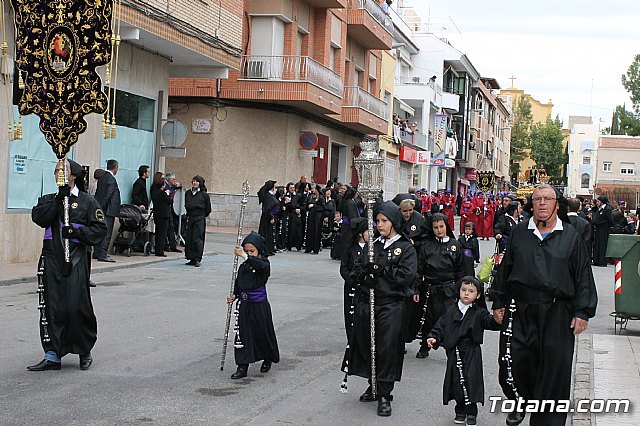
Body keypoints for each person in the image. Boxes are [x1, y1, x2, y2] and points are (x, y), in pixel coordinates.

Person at [490, 184, 597, 426]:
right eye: (537, 199)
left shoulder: (571, 237)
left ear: (556, 204)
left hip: (557, 313)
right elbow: (506, 269)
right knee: (515, 363)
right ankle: (520, 401)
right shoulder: (519, 232)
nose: (541, 203)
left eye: (547, 199)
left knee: (554, 371)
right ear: (531, 204)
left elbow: (583, 276)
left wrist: (582, 311)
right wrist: (499, 299)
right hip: (521, 310)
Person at [29, 159, 107, 371]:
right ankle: (52, 354)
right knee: (53, 307)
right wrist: (57, 202)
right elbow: (38, 218)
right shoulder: (49, 199)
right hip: (51, 258)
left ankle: (83, 350)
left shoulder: (87, 202)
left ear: (73, 176)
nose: (57, 174)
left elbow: (100, 229)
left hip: (76, 259)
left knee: (76, 306)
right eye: (55, 171)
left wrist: (77, 233)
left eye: (61, 171)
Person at [344, 201, 417, 417]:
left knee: (386, 348)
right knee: (368, 344)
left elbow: (406, 276)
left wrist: (382, 269)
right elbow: (356, 272)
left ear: (393, 221)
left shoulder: (405, 247)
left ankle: (385, 393)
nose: (379, 225)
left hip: (390, 305)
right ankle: (373, 383)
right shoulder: (371, 246)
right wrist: (363, 271)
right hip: (367, 303)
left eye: (383, 221)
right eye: (377, 221)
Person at [426, 276, 502, 426]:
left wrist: (497, 319)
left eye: (471, 291)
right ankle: (459, 410)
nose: (466, 293)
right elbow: (440, 326)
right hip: (455, 352)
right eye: (464, 290)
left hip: (472, 351)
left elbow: (490, 322)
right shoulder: (450, 310)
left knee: (471, 380)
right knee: (456, 381)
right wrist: (433, 337)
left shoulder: (479, 313)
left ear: (478, 295)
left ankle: (472, 412)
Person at [226, 231, 279, 379]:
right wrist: (234, 295)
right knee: (243, 335)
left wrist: (245, 256)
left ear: (259, 251)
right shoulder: (244, 266)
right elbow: (239, 283)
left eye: (252, 251)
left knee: (262, 334)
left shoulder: (263, 264)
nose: (249, 253)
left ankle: (267, 357)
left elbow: (261, 267)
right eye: (247, 250)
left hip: (259, 306)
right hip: (245, 305)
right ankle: (242, 365)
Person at [414, 213, 465, 359]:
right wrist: (417, 288)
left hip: (449, 288)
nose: (439, 230)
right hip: (429, 288)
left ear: (446, 226)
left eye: (441, 226)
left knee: (449, 319)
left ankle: (450, 349)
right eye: (435, 227)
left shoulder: (455, 245)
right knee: (428, 320)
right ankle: (425, 345)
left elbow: (461, 270)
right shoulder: (426, 245)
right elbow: (419, 269)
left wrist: (460, 291)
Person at [340, 217, 369, 343]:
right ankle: (351, 338)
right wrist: (352, 280)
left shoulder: (372, 248)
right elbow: (344, 268)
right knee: (350, 312)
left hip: (366, 287)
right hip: (352, 286)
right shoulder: (350, 248)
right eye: (369, 231)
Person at [94, 159, 120, 262]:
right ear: (115, 168)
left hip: (101, 208)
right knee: (107, 232)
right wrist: (103, 207)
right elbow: (108, 195)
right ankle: (103, 254)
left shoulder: (102, 177)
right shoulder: (111, 179)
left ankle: (97, 252)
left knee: (100, 231)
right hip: (108, 210)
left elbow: (98, 193)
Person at [184, 176, 212, 267]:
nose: (195, 183)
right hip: (191, 217)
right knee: (189, 238)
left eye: (197, 181)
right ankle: (190, 257)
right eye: (194, 181)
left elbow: (208, 209)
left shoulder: (204, 195)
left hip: (199, 218)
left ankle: (197, 258)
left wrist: (201, 215)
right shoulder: (188, 193)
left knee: (197, 238)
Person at [150, 176, 172, 257]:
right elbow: (169, 201)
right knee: (162, 234)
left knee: (158, 233)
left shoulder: (154, 192)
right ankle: (160, 251)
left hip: (157, 214)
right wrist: (167, 193)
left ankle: (157, 249)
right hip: (164, 215)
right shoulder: (163, 193)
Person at [257, 180, 279, 257]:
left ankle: (270, 249)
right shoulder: (268, 196)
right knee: (266, 234)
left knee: (270, 234)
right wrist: (271, 217)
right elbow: (267, 208)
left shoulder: (270, 195)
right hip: (268, 218)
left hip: (270, 217)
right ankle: (266, 249)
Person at [591, 195, 613, 266]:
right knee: (597, 244)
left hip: (604, 229)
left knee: (602, 245)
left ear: (602, 202)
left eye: (598, 201)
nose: (597, 202)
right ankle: (596, 260)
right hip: (598, 229)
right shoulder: (599, 209)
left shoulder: (607, 209)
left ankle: (602, 261)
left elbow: (610, 220)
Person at [163, 173, 182, 253]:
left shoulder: (171, 185)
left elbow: (179, 186)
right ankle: (166, 245)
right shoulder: (165, 186)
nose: (175, 181)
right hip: (166, 208)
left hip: (171, 208)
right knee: (167, 227)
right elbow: (168, 193)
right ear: (169, 179)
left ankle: (172, 245)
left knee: (171, 227)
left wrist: (179, 185)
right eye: (173, 179)